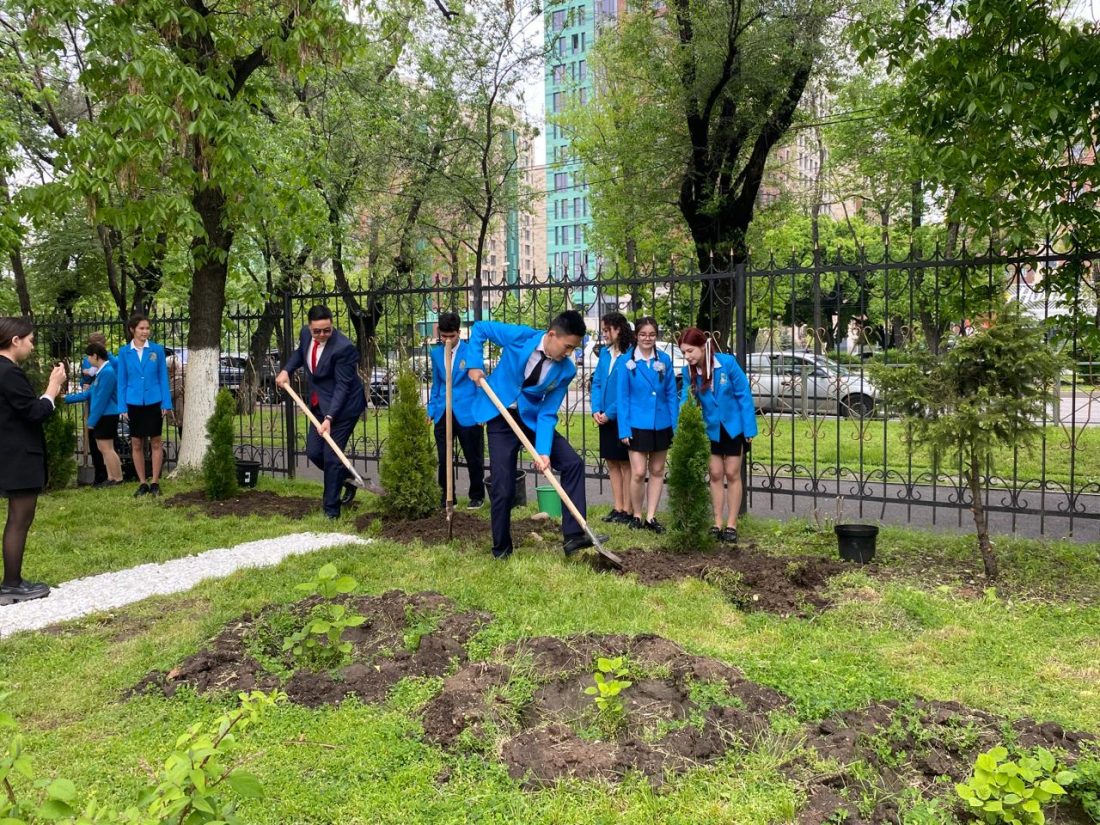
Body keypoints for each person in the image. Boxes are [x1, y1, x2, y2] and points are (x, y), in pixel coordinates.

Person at [465, 310, 606, 559]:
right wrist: (475, 364)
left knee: (573, 463)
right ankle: (502, 549)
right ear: (552, 335)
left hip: (530, 419)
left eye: (573, 349)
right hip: (500, 415)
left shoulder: (566, 371)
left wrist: (543, 451)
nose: (569, 353)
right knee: (503, 484)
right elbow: (480, 328)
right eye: (568, 346)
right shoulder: (520, 337)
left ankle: (574, 535)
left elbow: (548, 412)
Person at [275, 305, 366, 520]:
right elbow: (300, 353)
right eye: (318, 331)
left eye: (327, 330)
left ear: (332, 325)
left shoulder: (344, 348)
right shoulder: (306, 335)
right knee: (315, 453)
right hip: (319, 403)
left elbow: (343, 387)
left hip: (343, 407)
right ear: (309, 327)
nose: (322, 334)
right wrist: (286, 370)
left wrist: (329, 418)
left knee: (332, 457)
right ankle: (346, 478)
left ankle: (331, 511)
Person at [0, 317, 67, 604]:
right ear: (15, 340)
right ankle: (12, 584)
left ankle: (12, 582)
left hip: (8, 453)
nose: (31, 345)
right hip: (19, 456)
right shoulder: (8, 373)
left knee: (16, 519)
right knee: (19, 519)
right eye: (29, 340)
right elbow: (34, 412)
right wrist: (52, 389)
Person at [677, 327, 757, 544]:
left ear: (703, 346)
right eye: (684, 353)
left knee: (732, 473)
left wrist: (749, 429)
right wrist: (682, 425)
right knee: (715, 474)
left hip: (733, 427)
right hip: (710, 428)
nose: (688, 356)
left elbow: (743, 395)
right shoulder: (688, 372)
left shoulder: (727, 363)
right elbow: (686, 400)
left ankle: (732, 524)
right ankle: (717, 522)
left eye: (690, 351)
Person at [616, 316, 679, 533]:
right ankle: (636, 514)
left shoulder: (664, 360)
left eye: (652, 334)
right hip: (637, 423)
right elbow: (622, 398)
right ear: (636, 336)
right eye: (643, 334)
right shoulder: (626, 362)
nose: (647, 338)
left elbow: (672, 394)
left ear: (657, 336)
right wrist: (623, 428)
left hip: (661, 423)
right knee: (638, 471)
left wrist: (674, 425)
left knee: (658, 469)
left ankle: (651, 517)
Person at [426, 312, 485, 509]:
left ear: (459, 333)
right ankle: (447, 495)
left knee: (473, 455)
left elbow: (479, 385)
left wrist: (481, 412)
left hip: (467, 412)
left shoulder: (471, 352)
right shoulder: (435, 353)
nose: (448, 340)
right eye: (444, 336)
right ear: (439, 334)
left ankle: (477, 495)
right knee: (444, 457)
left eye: (451, 336)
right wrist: (432, 409)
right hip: (444, 411)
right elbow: (436, 384)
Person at [116, 313, 172, 497]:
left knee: (156, 441)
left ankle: (155, 481)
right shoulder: (124, 352)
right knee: (137, 443)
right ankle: (142, 483)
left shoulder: (156, 350)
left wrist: (166, 402)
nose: (145, 331)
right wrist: (122, 406)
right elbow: (122, 380)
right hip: (133, 402)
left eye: (147, 328)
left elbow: (163, 378)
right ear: (132, 330)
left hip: (154, 401)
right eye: (141, 328)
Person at [590, 311, 634, 524]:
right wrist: (596, 410)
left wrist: (610, 414)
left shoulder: (631, 355)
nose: (604, 334)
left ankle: (628, 509)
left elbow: (629, 391)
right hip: (604, 416)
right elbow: (597, 382)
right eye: (603, 330)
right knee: (612, 463)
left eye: (607, 330)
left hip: (621, 417)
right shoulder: (605, 354)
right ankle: (617, 507)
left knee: (626, 465)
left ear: (619, 329)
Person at [63, 342, 123, 486]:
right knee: (104, 448)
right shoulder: (102, 372)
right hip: (103, 414)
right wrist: (65, 398)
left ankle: (117, 478)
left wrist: (91, 422)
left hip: (107, 415)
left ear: (95, 356)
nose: (87, 360)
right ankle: (110, 477)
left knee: (107, 448)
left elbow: (101, 400)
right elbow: (89, 393)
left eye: (89, 356)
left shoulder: (107, 372)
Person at [79, 331, 113, 485]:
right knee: (95, 442)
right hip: (92, 399)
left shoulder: (110, 360)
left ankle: (112, 474)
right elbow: (83, 380)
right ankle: (100, 474)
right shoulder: (87, 361)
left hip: (106, 404)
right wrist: (85, 382)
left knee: (108, 442)